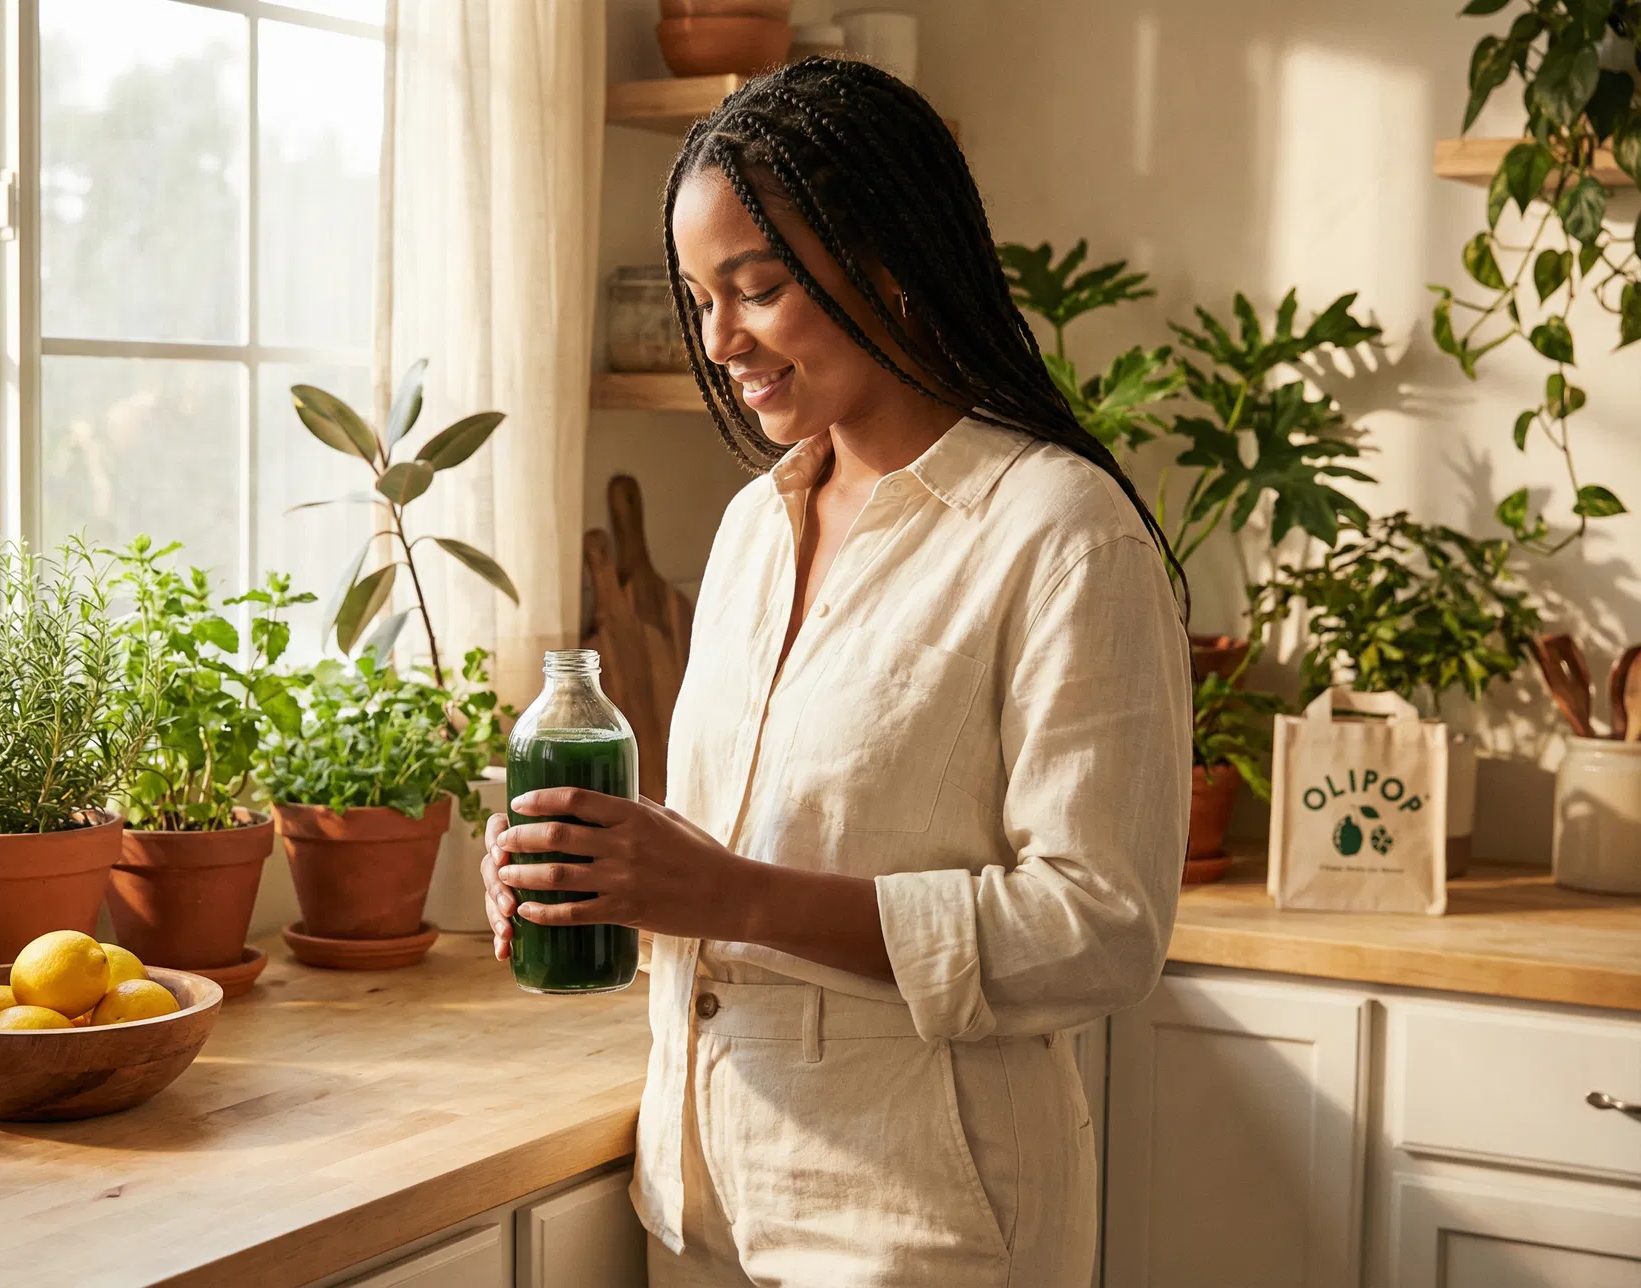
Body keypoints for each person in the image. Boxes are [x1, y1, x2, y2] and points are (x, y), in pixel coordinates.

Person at [480, 57, 1190, 1288]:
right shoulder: (758, 523)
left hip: (920, 1229)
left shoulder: (1061, 533)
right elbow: (747, 847)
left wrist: (727, 894)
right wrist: (605, 882)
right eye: (700, 297)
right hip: (701, 1200)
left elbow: (1098, 928)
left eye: (756, 289)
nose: (721, 340)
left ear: (890, 262)